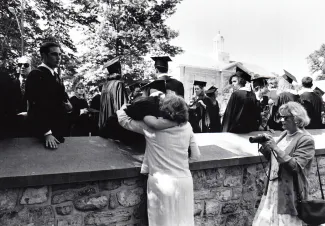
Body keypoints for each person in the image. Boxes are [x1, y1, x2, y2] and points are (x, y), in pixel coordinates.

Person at [117, 94, 200, 226]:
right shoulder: (187, 126)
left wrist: (122, 108)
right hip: (184, 180)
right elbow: (195, 155)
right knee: (184, 221)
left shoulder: (151, 126)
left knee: (162, 222)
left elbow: (124, 121)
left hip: (161, 182)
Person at [253, 101, 315, 226]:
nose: (281, 120)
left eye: (285, 117)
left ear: (297, 118)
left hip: (289, 191)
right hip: (273, 188)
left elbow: (296, 167)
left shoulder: (306, 139)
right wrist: (266, 147)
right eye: (279, 117)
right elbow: (274, 160)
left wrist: (275, 148)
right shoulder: (284, 134)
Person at [25, 42, 72, 149]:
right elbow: (35, 106)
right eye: (54, 54)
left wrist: (69, 107)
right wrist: (46, 132)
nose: (58, 58)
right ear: (44, 56)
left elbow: (63, 100)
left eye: (60, 54)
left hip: (57, 132)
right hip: (42, 136)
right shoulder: (36, 75)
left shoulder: (56, 76)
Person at [98, 56, 128, 138]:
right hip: (115, 125)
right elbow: (122, 106)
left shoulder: (105, 85)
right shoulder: (119, 84)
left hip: (105, 124)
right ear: (118, 69)